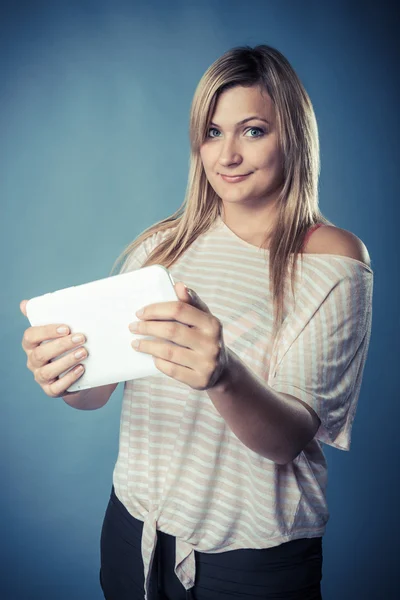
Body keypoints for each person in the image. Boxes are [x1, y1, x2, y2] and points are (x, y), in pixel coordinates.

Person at [20, 44, 373, 600]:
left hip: (250, 561)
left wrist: (223, 375)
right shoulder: (164, 246)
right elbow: (97, 392)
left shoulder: (333, 259)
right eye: (212, 132)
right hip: (133, 532)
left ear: (294, 138)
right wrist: (65, 373)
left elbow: (288, 440)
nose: (227, 154)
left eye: (252, 130)